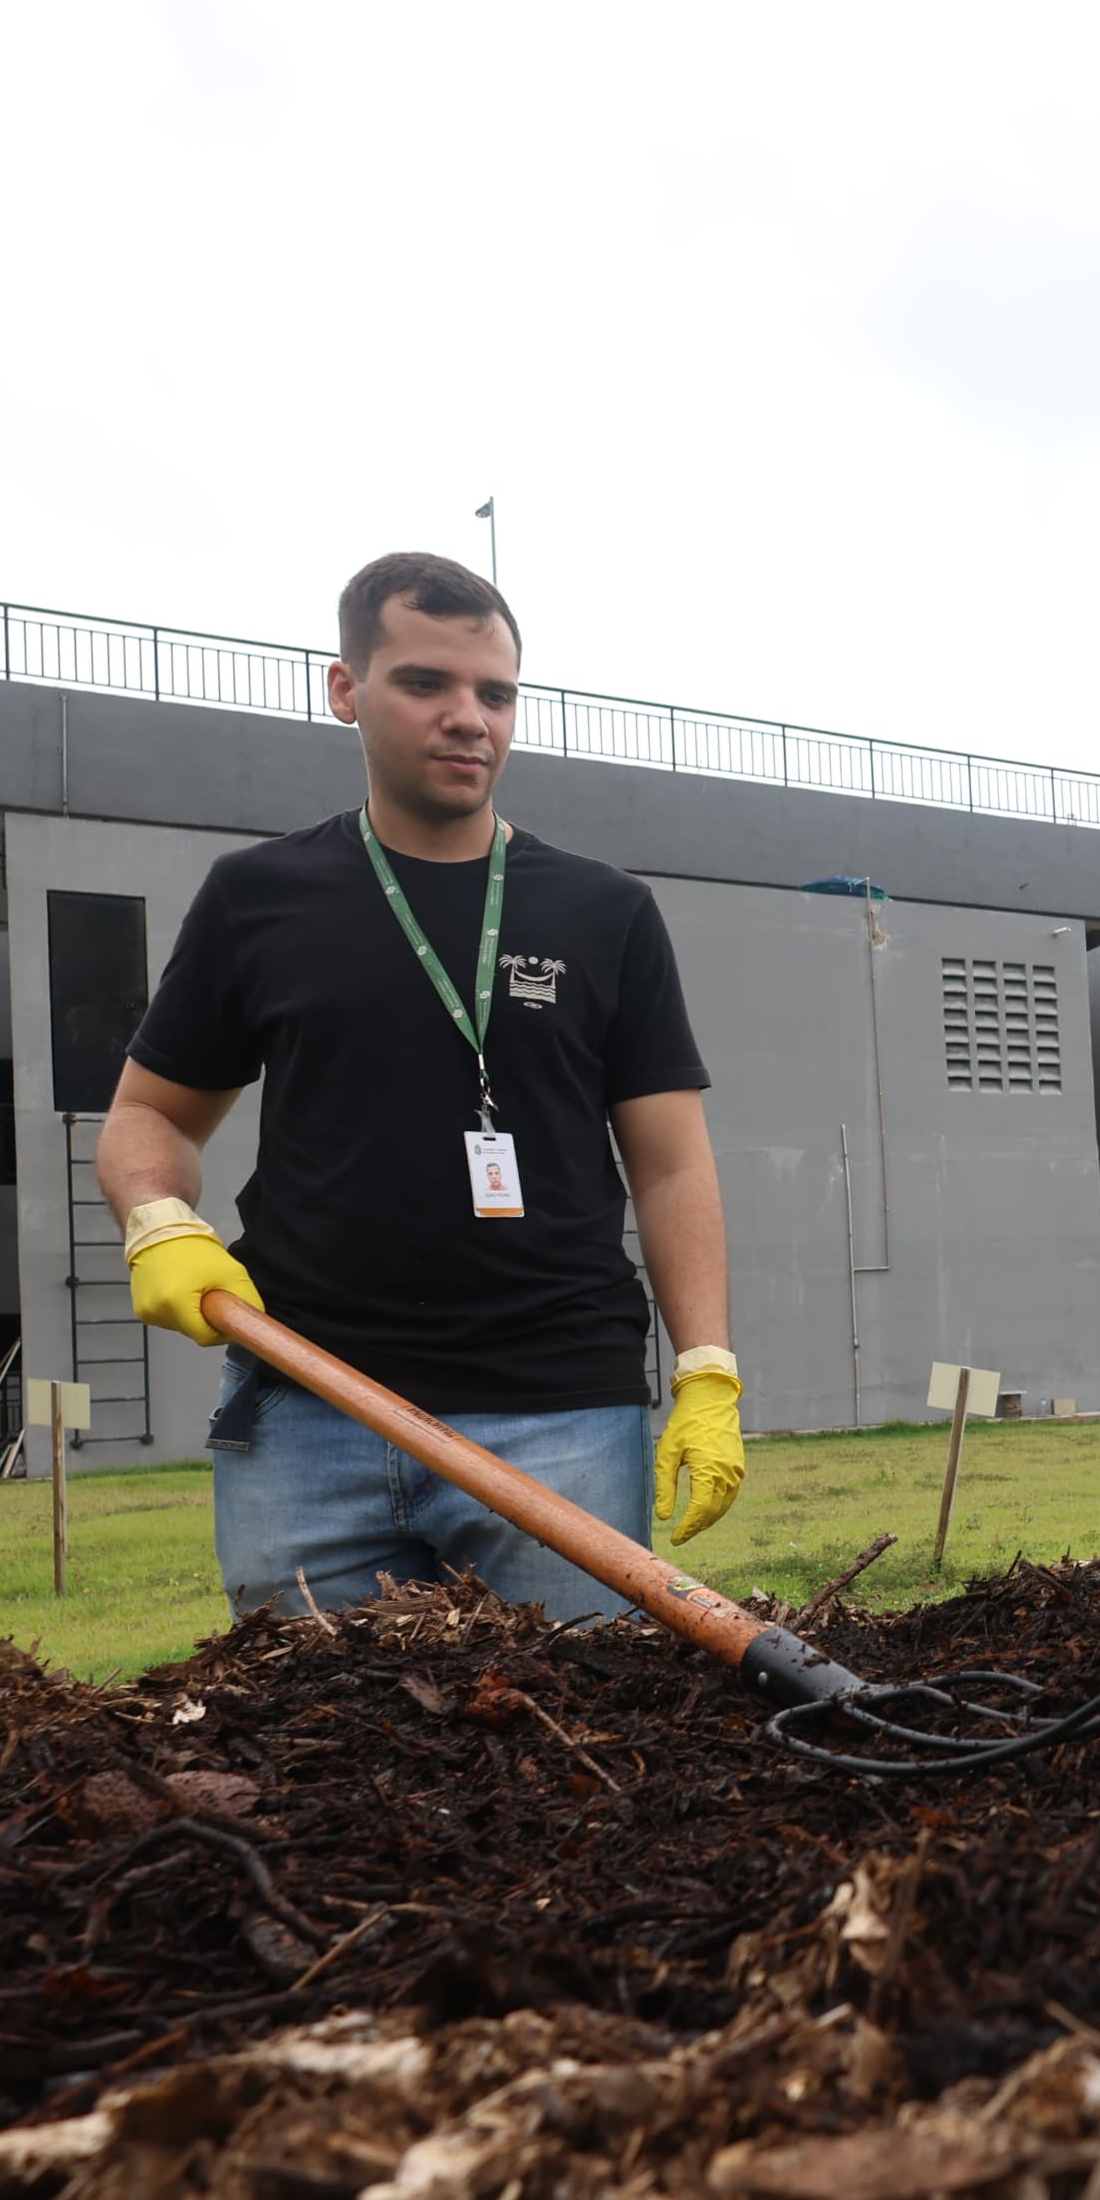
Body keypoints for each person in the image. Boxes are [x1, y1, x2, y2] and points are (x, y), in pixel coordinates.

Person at [93, 552, 745, 1618]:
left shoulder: (605, 911)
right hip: (305, 1408)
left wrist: (707, 1366)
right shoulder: (257, 898)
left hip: (559, 1418)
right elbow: (149, 1115)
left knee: (585, 1746)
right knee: (316, 1759)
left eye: (495, 694)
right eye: (425, 683)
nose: (468, 718)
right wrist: (159, 1217)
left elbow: (671, 1164)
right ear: (345, 689)